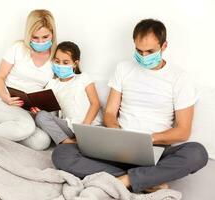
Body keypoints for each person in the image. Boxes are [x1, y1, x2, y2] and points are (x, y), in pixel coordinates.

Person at [51, 19, 208, 193]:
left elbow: (183, 131)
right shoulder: (123, 69)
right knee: (61, 154)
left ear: (164, 46)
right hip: (119, 144)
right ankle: (145, 179)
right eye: (139, 50)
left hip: (155, 148)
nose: (144, 56)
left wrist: (148, 140)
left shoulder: (180, 78)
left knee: (197, 153)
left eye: (150, 51)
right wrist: (119, 135)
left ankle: (126, 179)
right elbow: (110, 112)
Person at [0, 9, 57, 150]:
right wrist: (5, 97)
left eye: (45, 37)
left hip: (29, 111)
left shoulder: (55, 57)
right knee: (26, 126)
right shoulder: (18, 49)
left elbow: (52, 90)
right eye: (35, 37)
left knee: (42, 142)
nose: (40, 41)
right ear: (28, 34)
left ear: (52, 34)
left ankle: (9, 130)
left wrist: (41, 108)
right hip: (5, 104)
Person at [33, 41, 102, 145]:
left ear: (75, 63)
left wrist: (84, 127)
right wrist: (37, 108)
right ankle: (66, 142)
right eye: (57, 61)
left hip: (88, 126)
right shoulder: (52, 84)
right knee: (41, 116)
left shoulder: (83, 78)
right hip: (69, 127)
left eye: (65, 62)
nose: (60, 65)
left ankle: (81, 140)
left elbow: (95, 103)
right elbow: (46, 107)